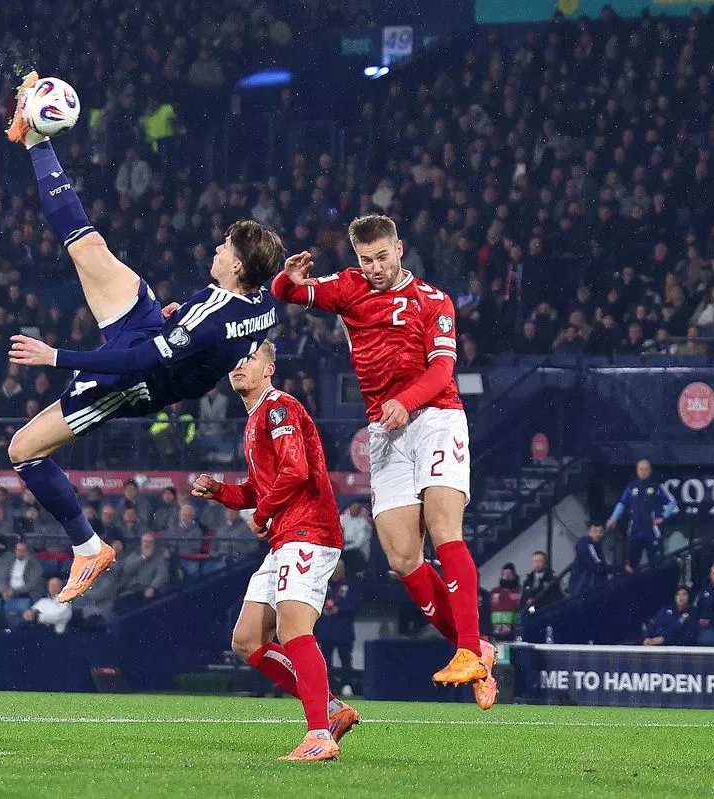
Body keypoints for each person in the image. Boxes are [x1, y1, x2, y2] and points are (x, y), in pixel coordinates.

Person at [4, 70, 284, 604]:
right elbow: (222, 323)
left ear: (238, 266)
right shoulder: (260, 299)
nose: (217, 249)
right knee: (86, 245)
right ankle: (36, 138)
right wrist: (185, 320)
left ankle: (89, 547)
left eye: (225, 248)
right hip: (154, 328)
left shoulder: (218, 316)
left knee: (22, 451)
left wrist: (55, 356)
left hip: (136, 382)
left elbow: (140, 364)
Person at [271, 214, 495, 708]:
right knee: (402, 558)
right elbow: (287, 294)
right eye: (366, 259)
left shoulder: (432, 300)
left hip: (435, 416)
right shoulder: (349, 287)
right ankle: (478, 649)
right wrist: (287, 279)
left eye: (381, 257)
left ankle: (466, 651)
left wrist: (407, 401)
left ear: (399, 249)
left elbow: (442, 369)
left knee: (444, 528)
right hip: (386, 430)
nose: (374, 267)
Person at [191, 341, 356, 761]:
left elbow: (296, 471)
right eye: (234, 360)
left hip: (308, 531)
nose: (238, 365)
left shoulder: (279, 407)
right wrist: (220, 492)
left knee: (294, 630)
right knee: (247, 639)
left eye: (249, 358)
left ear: (269, 368)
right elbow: (259, 488)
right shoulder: (254, 419)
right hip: (285, 536)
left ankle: (318, 735)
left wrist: (262, 515)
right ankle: (331, 710)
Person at [607, 459, 678, 572]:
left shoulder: (657, 486)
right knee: (631, 566)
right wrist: (613, 518)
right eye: (641, 469)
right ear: (637, 471)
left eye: (646, 469)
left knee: (656, 565)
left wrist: (663, 516)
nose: (643, 472)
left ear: (650, 470)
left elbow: (672, 502)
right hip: (635, 532)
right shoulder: (631, 487)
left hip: (653, 532)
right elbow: (622, 503)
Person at [317, 561, 359, 694]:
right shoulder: (323, 585)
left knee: (345, 658)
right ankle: (327, 685)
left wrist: (339, 609)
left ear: (343, 571)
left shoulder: (351, 585)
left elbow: (355, 604)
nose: (335, 574)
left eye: (338, 571)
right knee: (325, 659)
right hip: (326, 629)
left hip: (344, 629)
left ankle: (346, 684)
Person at [570, 523, 608, 597]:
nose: (597, 534)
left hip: (591, 589)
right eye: (595, 531)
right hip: (583, 590)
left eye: (600, 531)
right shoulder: (586, 544)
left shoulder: (597, 546)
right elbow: (598, 565)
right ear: (589, 531)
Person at [488, 563, 522, 642]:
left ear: (514, 575)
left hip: (514, 632)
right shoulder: (494, 592)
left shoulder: (519, 591)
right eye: (505, 574)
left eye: (509, 574)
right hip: (495, 632)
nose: (507, 576)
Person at [338, 502, 373, 575]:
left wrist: (343, 548)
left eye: (356, 508)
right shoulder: (343, 518)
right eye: (352, 508)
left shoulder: (364, 524)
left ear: (360, 510)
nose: (353, 510)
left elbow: (358, 543)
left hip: (358, 552)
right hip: (343, 548)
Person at [695, 564, 714, 645]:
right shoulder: (703, 592)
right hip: (702, 632)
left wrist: (711, 621)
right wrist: (699, 620)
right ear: (710, 575)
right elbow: (695, 610)